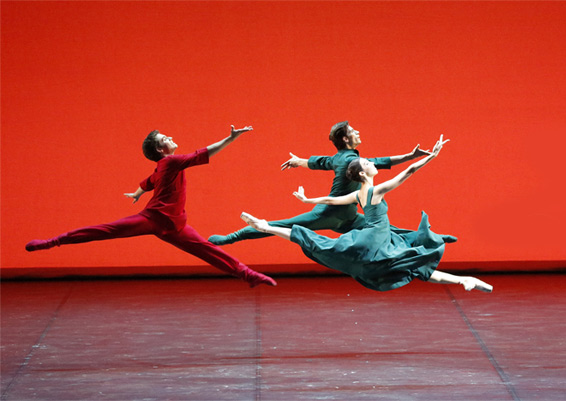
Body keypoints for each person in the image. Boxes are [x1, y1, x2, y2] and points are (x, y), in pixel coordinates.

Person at [25, 125, 277, 288]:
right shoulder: (171, 162)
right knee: (104, 230)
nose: (171, 137)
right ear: (160, 148)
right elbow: (205, 153)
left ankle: (247, 275)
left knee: (209, 251)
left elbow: (149, 181)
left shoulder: (162, 167)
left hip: (177, 226)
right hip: (153, 219)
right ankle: (53, 242)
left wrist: (136, 193)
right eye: (165, 138)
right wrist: (230, 138)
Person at [239, 135, 493, 293]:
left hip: (381, 239)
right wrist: (432, 156)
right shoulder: (376, 191)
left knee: (410, 266)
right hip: (374, 239)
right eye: (368, 164)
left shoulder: (360, 195)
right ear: (363, 174)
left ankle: (464, 280)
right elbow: (407, 173)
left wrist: (308, 199)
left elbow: (331, 199)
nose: (372, 163)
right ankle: (266, 227)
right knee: (412, 261)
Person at [209, 121, 431, 245]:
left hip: (348, 218)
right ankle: (231, 238)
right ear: (345, 139)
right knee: (276, 226)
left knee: (388, 230)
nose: (358, 132)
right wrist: (410, 157)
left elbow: (322, 162)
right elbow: (378, 162)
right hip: (327, 214)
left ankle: (426, 241)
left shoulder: (341, 158)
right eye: (354, 131)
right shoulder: (351, 161)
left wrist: (299, 161)